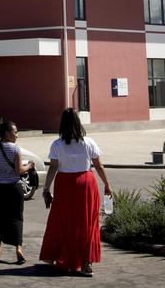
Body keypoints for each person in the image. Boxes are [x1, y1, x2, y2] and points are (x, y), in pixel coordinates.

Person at [39, 108, 112, 276]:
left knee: (65, 223)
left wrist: (45, 188)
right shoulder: (89, 142)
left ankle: (67, 258)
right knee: (88, 223)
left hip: (64, 184)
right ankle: (87, 263)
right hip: (86, 183)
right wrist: (107, 185)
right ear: (78, 122)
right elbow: (99, 166)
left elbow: (54, 167)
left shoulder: (57, 144)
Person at [0, 120, 36, 264]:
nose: (17, 136)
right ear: (7, 134)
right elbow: (19, 171)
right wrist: (29, 165)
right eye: (15, 132)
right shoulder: (16, 149)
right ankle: (19, 248)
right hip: (14, 188)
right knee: (17, 218)